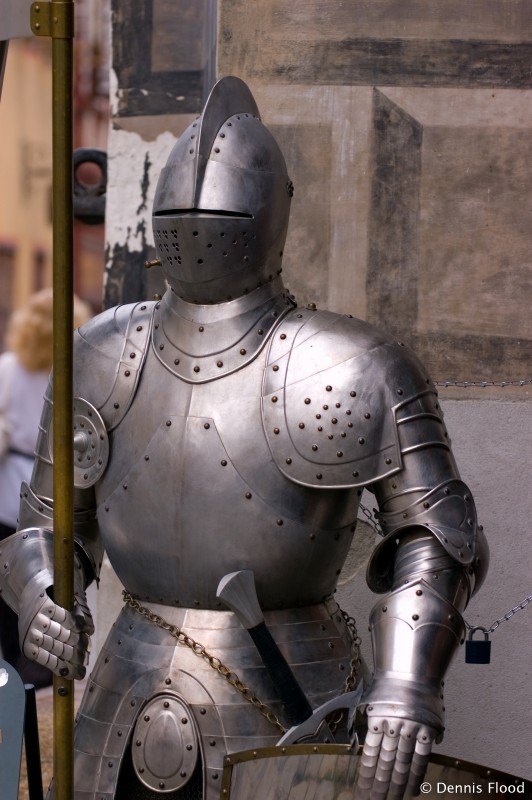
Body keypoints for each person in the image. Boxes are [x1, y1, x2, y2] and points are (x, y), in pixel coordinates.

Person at [0, 77, 488, 800]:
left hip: (293, 690)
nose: (200, 227)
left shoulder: (350, 364)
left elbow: (439, 539)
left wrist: (406, 682)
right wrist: (46, 594)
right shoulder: (102, 349)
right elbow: (45, 523)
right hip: (123, 687)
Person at [0, 288, 91, 688]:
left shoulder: (7, 368)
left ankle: (10, 677)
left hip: (5, 488)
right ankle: (32, 678)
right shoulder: (76, 372)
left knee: (5, 587)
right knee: (46, 587)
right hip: (53, 490)